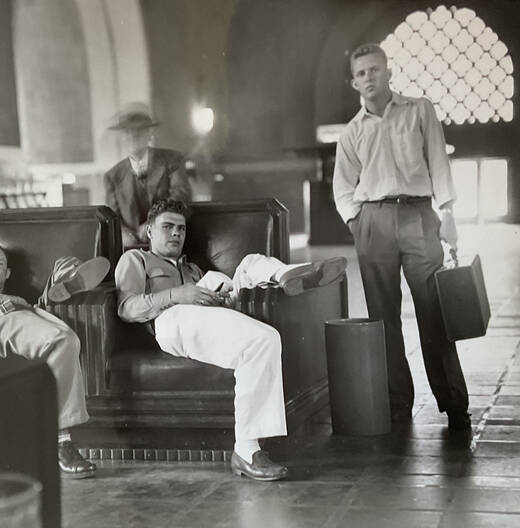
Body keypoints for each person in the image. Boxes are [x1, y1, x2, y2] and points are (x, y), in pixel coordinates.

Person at [114, 199, 347, 481]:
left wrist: (222, 295)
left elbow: (208, 299)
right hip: (169, 321)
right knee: (260, 339)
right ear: (149, 231)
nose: (177, 233)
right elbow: (126, 308)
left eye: (181, 228)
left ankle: (291, 274)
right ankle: (247, 450)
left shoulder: (192, 268)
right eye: (168, 227)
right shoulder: (135, 259)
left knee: (251, 276)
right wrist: (178, 295)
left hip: (206, 312)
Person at [332, 43, 470, 431]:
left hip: (419, 215)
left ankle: (454, 403)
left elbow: (439, 163)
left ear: (388, 71)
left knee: (434, 311)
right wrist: (357, 223)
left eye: (374, 69)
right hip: (373, 221)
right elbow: (342, 186)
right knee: (383, 317)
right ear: (354, 82)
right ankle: (397, 404)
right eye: (361, 73)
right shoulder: (352, 132)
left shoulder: (419, 110)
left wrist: (448, 215)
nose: (368, 78)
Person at [0, 241, 110, 479]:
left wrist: (22, 303)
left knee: (68, 342)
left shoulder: (9, 296)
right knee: (59, 339)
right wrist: (9, 304)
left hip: (17, 325)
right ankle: (60, 441)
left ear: (8, 273)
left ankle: (59, 280)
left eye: (0, 264)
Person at [104, 108, 192, 248]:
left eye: (139, 131)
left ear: (149, 134)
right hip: (133, 247)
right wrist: (125, 236)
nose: (133, 136)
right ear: (122, 138)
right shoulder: (113, 176)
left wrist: (153, 225)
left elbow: (181, 196)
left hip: (171, 242)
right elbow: (112, 218)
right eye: (127, 132)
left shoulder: (172, 160)